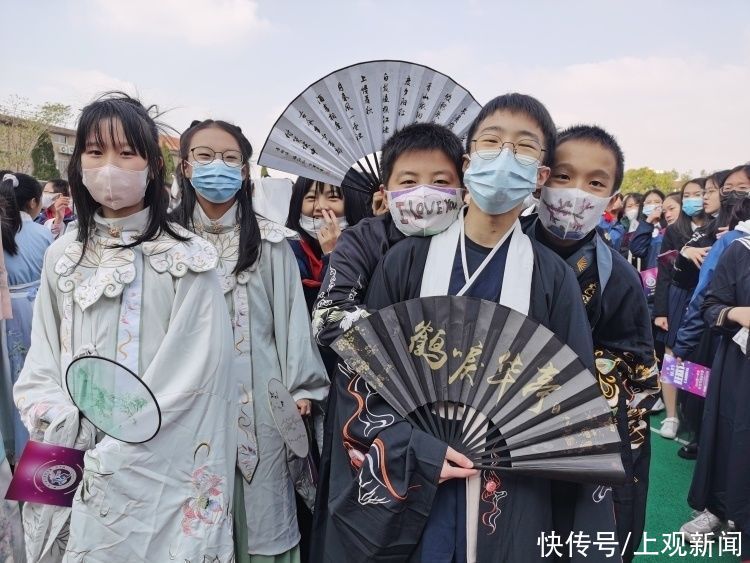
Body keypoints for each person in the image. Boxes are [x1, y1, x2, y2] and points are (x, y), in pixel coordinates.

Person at [314, 94, 617, 562]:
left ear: (539, 177)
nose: (505, 157)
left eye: (524, 149)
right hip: (416, 471)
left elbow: (569, 404)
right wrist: (415, 449)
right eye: (492, 142)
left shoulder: (552, 277)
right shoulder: (406, 261)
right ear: (469, 161)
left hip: (511, 480)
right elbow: (364, 374)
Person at [13, 93, 239, 562]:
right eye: (95, 152)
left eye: (126, 152)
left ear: (154, 166)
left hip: (156, 459)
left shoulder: (188, 259)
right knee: (51, 544)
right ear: (78, 163)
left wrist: (117, 446)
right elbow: (42, 358)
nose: (109, 166)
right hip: (64, 436)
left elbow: (194, 379)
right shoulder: (63, 253)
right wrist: (60, 419)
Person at [172, 118, 329, 563]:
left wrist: (301, 388)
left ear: (244, 170)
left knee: (263, 508)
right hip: (188, 397)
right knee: (194, 506)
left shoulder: (273, 243)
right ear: (186, 166)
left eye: (229, 157)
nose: (216, 166)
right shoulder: (165, 243)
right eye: (204, 156)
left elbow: (291, 322)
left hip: (261, 397)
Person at [309, 122, 466, 561]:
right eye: (409, 181)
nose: (424, 192)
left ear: (462, 187)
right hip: (373, 411)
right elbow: (328, 317)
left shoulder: (472, 247)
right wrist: (419, 343)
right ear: (387, 189)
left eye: (441, 182)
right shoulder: (364, 238)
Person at [527, 124, 660, 562]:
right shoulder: (504, 246)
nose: (576, 193)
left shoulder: (618, 276)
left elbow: (639, 377)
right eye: (563, 176)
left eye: (595, 183)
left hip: (580, 438)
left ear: (613, 198)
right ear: (541, 177)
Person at [687, 235, 750, 559]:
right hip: (741, 368)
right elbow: (709, 309)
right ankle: (718, 508)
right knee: (732, 439)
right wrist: (737, 313)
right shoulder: (740, 249)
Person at [1, 172, 54, 465]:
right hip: (36, 309)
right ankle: (36, 447)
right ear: (34, 202)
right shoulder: (43, 233)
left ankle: (10, 448)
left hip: (6, 312)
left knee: (10, 378)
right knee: (38, 376)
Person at [652, 179, 707, 447]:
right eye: (689, 195)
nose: (696, 199)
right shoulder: (675, 230)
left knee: (699, 358)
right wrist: (660, 310)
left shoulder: (720, 228)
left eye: (701, 193)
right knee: (672, 353)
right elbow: (663, 271)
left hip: (706, 299)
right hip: (678, 295)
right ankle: (672, 416)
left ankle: (692, 418)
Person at [286, 178, 371, 313]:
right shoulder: (287, 253)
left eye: (333, 197)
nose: (321, 206)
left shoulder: (369, 250)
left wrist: (334, 254)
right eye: (311, 197)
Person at [629, 188, 666, 271]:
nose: (653, 205)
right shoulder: (639, 226)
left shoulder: (669, 226)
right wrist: (649, 220)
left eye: (657, 202)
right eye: (649, 203)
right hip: (648, 274)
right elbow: (637, 250)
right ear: (643, 206)